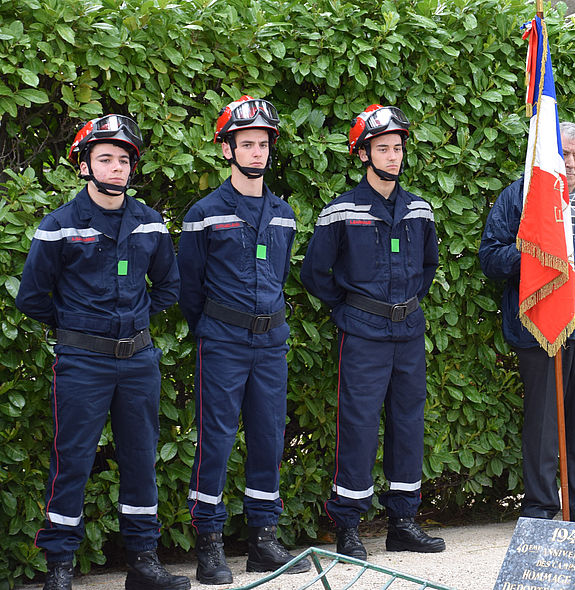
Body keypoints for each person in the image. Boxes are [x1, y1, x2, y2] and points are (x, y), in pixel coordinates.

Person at [16, 115, 188, 590]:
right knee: (71, 461)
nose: (117, 167)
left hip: (138, 362)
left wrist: (133, 324)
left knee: (140, 458)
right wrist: (78, 327)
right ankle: (59, 568)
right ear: (84, 165)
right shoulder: (59, 227)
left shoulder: (150, 223)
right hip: (82, 364)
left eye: (124, 160)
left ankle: (143, 563)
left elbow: (169, 287)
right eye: (106, 158)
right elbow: (32, 298)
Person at [301, 104, 443, 561]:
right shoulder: (340, 212)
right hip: (361, 334)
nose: (393, 156)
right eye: (382, 148)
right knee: (358, 427)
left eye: (397, 148)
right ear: (363, 154)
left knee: (408, 424)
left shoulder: (419, 208)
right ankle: (349, 526)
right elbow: (315, 273)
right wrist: (351, 310)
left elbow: (428, 266)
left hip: (407, 332)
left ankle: (404, 521)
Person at [178, 96, 308, 583]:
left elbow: (279, 275)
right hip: (224, 340)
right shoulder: (204, 213)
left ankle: (263, 541)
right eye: (246, 144)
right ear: (227, 150)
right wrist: (215, 326)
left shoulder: (284, 213)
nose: (256, 152)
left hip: (271, 342)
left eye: (262, 144)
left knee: (269, 438)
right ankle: (209, 544)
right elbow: (189, 287)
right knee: (215, 440)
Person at [479, 122, 575, 526]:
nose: (570, 163)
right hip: (541, 329)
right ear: (547, 154)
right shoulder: (520, 196)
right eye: (563, 154)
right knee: (544, 425)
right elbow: (490, 257)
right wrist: (535, 257)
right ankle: (542, 507)